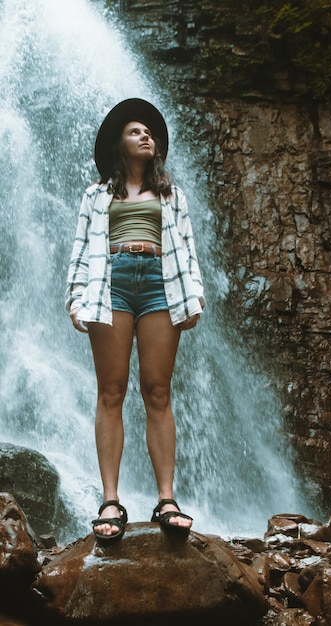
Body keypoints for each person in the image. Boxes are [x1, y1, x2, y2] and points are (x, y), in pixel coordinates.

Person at [65, 98, 205, 544]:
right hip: (112, 283)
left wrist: (194, 296)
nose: (146, 136)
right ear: (119, 145)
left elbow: (187, 246)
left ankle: (167, 499)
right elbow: (82, 249)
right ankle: (110, 500)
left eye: (150, 132)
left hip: (162, 283)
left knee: (158, 391)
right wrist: (75, 296)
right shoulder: (95, 195)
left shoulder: (172, 195)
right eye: (135, 131)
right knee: (111, 390)